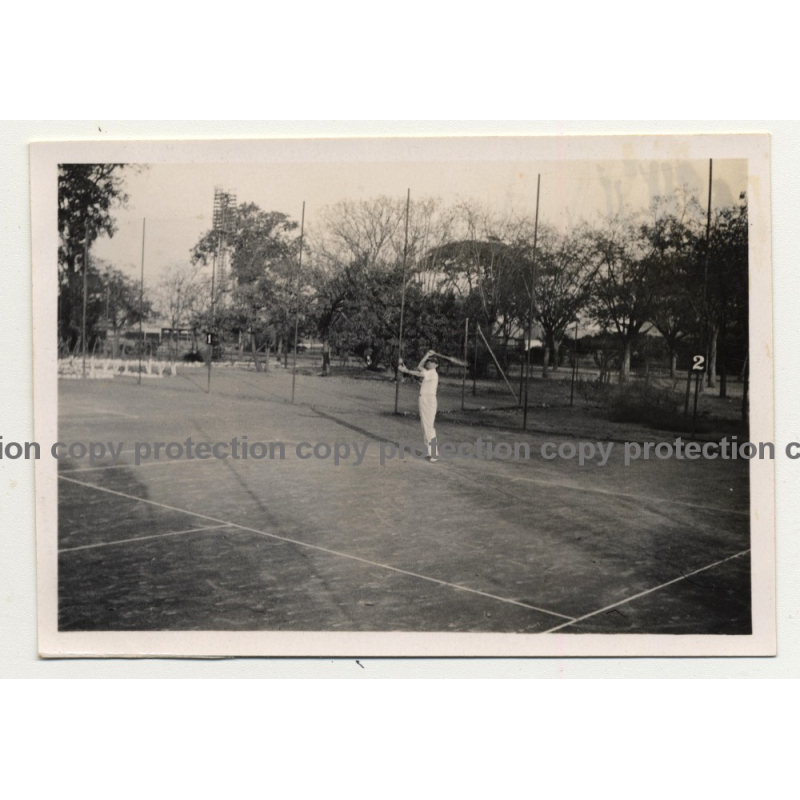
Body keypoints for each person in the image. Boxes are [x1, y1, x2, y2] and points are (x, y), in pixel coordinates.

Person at [399, 349, 439, 462]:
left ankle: (434, 454)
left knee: (429, 427)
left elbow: (418, 373)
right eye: (429, 361)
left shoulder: (432, 373)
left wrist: (406, 370)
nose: (429, 363)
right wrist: (427, 355)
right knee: (424, 426)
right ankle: (430, 451)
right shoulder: (428, 371)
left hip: (429, 400)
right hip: (423, 399)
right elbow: (419, 366)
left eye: (432, 361)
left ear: (436, 365)